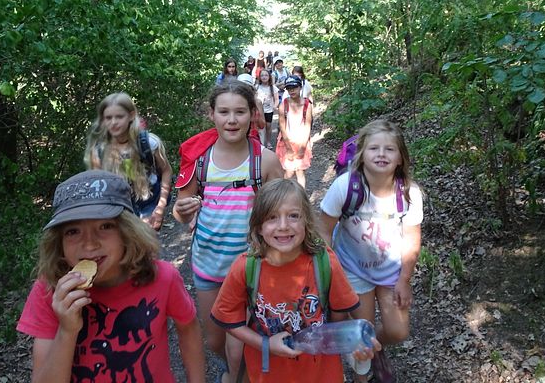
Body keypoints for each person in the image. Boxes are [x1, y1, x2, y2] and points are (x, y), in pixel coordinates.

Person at [17, 170, 206, 383]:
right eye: (73, 231)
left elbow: (188, 328)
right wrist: (67, 331)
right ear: (58, 242)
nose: (89, 243)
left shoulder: (162, 277)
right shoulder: (50, 289)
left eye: (105, 226)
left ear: (127, 232)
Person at [211, 178, 379, 383]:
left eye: (293, 216)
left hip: (321, 373)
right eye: (272, 217)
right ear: (259, 226)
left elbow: (339, 320)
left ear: (306, 221)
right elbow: (229, 320)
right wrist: (266, 344)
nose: (283, 226)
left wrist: (353, 345)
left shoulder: (324, 262)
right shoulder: (245, 267)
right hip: (269, 373)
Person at [173, 82, 284, 379]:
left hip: (252, 267)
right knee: (215, 341)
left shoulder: (266, 161)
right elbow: (181, 210)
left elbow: (283, 212)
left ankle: (239, 374)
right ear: (212, 114)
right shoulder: (199, 160)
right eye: (223, 112)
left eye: (239, 112)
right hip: (208, 263)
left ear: (252, 114)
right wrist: (182, 211)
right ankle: (237, 369)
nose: (231, 119)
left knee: (238, 344)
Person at [318, 119, 423, 383]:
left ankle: (375, 350)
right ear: (362, 155)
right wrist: (331, 274)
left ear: (401, 158)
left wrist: (404, 280)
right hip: (352, 269)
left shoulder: (409, 193)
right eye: (374, 148)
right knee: (361, 335)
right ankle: (361, 376)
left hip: (391, 270)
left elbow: (412, 239)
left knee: (398, 332)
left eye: (390, 149)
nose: (381, 154)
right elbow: (323, 230)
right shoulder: (345, 187)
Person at [84, 93, 173, 231]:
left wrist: (160, 207)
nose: (113, 122)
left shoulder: (148, 143)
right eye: (108, 118)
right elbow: (98, 186)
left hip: (147, 201)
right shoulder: (99, 151)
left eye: (119, 117)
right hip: (119, 205)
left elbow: (166, 171)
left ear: (131, 116)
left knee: (147, 246)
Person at [276, 75, 313, 188]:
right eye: (289, 88)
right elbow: (282, 126)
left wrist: (302, 147)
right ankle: (283, 196)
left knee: (300, 172)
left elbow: (308, 125)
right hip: (287, 141)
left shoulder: (307, 104)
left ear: (300, 87)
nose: (292, 90)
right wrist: (288, 148)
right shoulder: (284, 104)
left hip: (302, 140)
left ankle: (301, 198)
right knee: (288, 172)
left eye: (294, 87)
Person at [256, 69, 279, 149]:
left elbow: (276, 99)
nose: (264, 77)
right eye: (262, 75)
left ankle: (268, 141)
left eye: (266, 75)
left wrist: (275, 106)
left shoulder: (273, 87)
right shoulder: (257, 87)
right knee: (260, 126)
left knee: (268, 126)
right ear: (259, 77)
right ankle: (260, 142)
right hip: (259, 110)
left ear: (269, 77)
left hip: (269, 110)